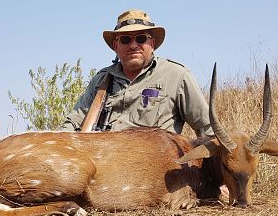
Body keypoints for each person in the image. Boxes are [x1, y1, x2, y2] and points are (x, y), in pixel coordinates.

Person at [62, 9, 213, 137]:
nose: (133, 45)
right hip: (101, 162)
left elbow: (208, 129)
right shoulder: (100, 80)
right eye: (125, 40)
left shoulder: (177, 76)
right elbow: (72, 123)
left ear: (152, 44)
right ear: (116, 45)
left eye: (141, 38)